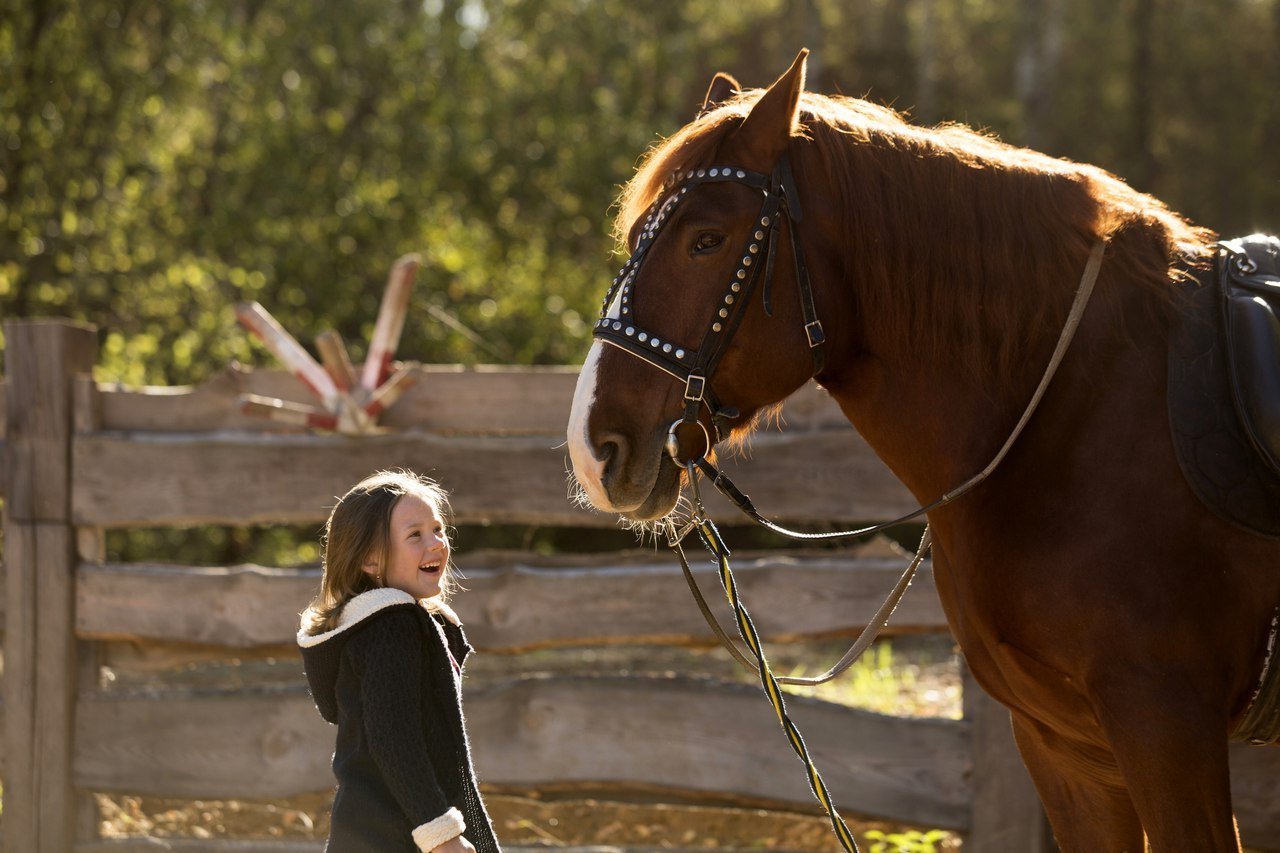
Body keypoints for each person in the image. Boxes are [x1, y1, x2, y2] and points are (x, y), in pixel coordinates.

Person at [298, 469, 501, 853]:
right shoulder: (392, 626)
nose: (436, 544)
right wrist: (440, 836)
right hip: (399, 836)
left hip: (370, 832)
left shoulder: (392, 624)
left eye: (438, 529)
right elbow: (394, 739)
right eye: (415, 535)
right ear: (371, 561)